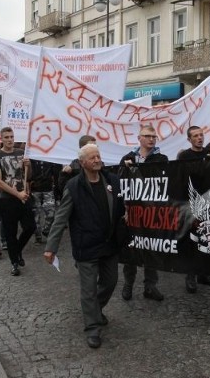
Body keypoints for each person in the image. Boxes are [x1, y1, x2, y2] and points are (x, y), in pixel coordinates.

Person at [45, 144, 126, 349]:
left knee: (111, 281)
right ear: (82, 163)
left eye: (98, 156)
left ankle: (94, 310)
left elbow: (120, 209)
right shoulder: (73, 186)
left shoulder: (112, 181)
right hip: (86, 246)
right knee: (88, 290)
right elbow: (61, 218)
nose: (97, 160)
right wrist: (51, 247)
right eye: (92, 158)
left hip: (109, 243)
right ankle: (92, 327)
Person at [119, 125, 167, 302]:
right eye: (147, 136)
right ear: (139, 138)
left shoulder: (162, 158)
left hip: (152, 212)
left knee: (151, 248)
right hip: (132, 211)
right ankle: (128, 284)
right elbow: (121, 184)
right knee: (131, 249)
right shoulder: (128, 158)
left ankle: (150, 286)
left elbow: (164, 181)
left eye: (154, 136)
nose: (151, 139)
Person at [177, 126, 210, 294]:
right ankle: (191, 275)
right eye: (195, 136)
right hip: (191, 203)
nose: (199, 138)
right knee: (192, 240)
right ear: (189, 139)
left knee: (207, 237)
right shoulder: (185, 156)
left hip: (209, 202)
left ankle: (204, 273)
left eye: (201, 135)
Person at [0, 127, 36, 276]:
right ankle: (14, 262)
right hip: (8, 199)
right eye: (6, 137)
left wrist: (28, 166)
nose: (10, 139)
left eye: (11, 137)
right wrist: (17, 194)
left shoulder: (21, 153)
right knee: (10, 232)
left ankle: (17, 251)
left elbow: (28, 176)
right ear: (1, 139)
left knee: (30, 227)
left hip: (23, 197)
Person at [30, 159, 60, 244]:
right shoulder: (31, 158)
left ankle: (46, 230)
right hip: (34, 190)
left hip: (48, 189)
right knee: (36, 215)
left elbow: (56, 172)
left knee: (51, 213)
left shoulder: (49, 158)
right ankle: (37, 236)